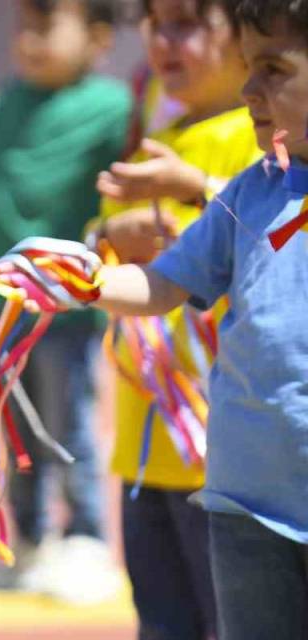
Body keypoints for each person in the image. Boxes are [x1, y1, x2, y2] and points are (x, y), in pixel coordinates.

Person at [89, 1, 308, 635]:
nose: (249, 89)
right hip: (244, 499)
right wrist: (88, 280)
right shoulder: (252, 188)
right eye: (247, 67)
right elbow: (164, 282)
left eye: (272, 68)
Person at [0, 0, 131, 603]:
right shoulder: (15, 101)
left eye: (47, 25)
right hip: (2, 305)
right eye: (24, 26)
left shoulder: (111, 106)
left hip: (65, 306)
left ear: (99, 38)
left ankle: (88, 541)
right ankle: (29, 544)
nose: (30, 40)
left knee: (68, 422)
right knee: (14, 428)